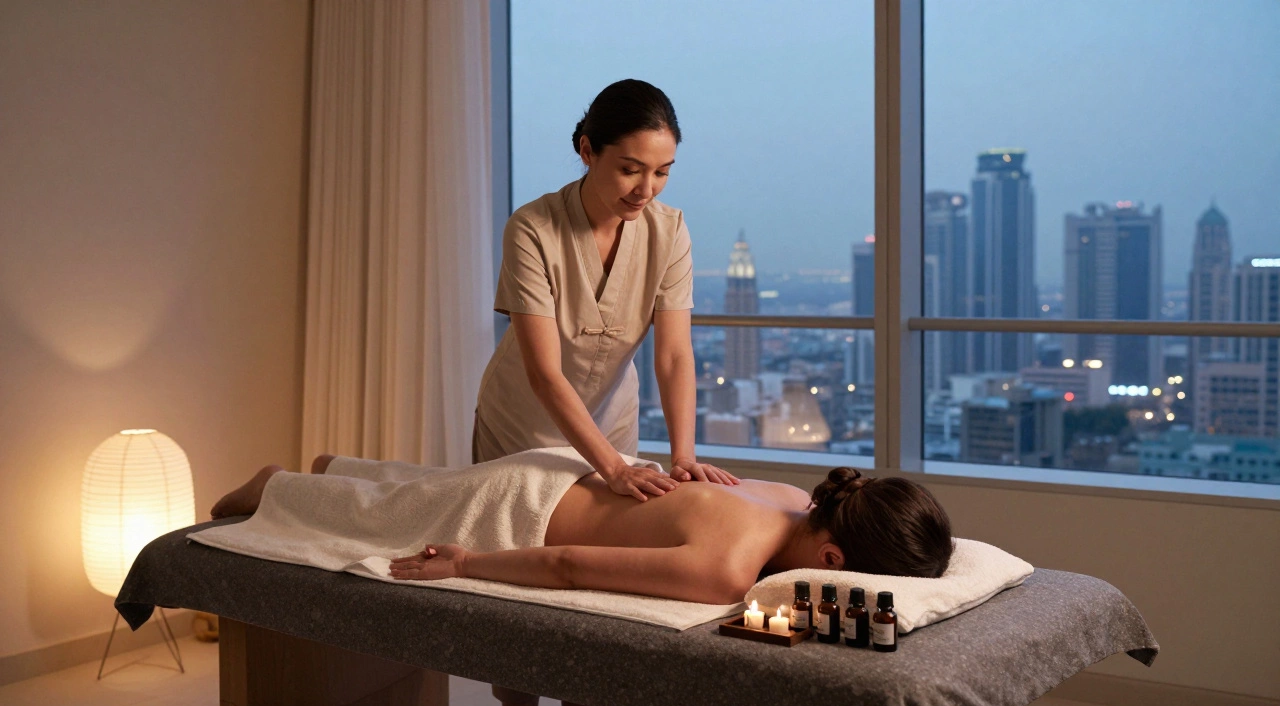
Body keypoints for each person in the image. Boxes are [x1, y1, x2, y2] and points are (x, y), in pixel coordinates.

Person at [474, 79, 738, 503]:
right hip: (524, 422)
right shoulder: (532, 229)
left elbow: (673, 355)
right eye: (630, 170)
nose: (646, 190)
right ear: (587, 151)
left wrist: (683, 456)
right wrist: (613, 469)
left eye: (662, 172)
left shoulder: (669, 231)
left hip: (612, 421)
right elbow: (544, 373)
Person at [211, 457, 955, 606]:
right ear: (833, 557)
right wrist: (469, 562)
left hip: (572, 470)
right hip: (519, 509)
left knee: (414, 490)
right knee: (386, 519)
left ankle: (336, 464)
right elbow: (567, 564)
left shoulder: (792, 495)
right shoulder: (730, 569)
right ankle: (274, 483)